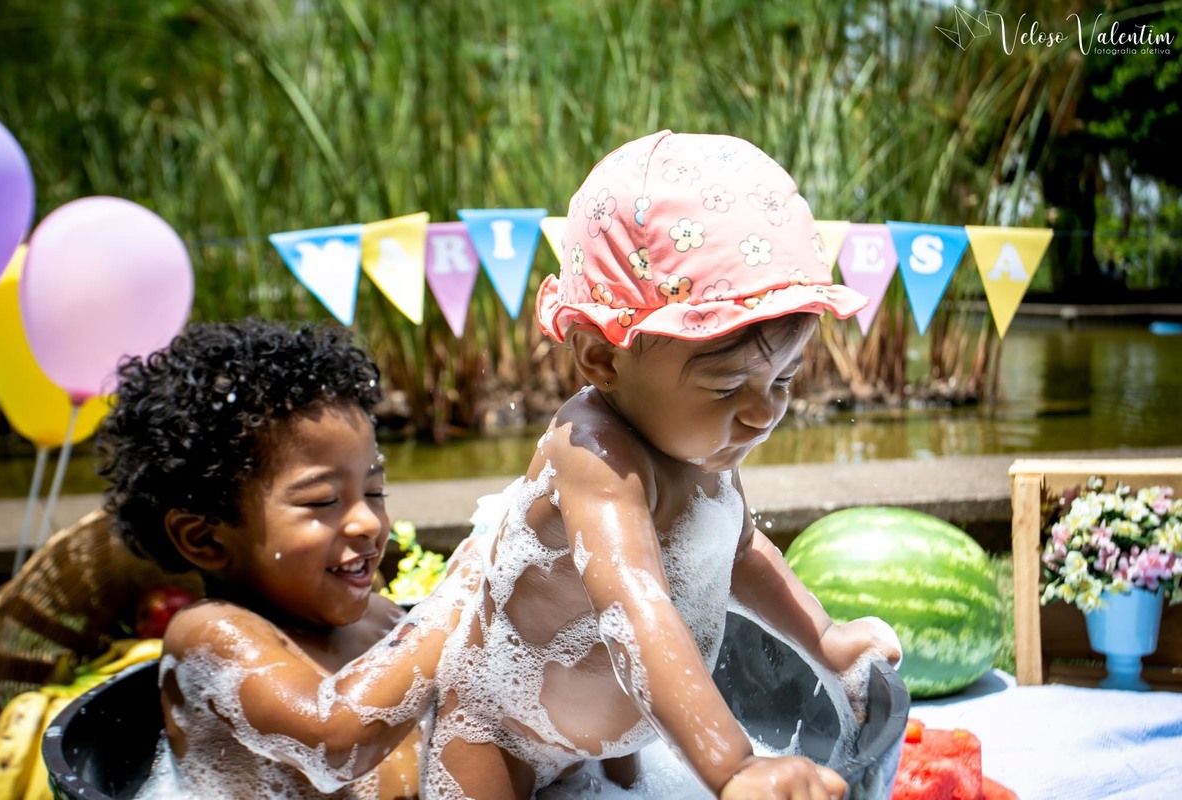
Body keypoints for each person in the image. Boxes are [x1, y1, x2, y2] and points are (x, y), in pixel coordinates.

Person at [422, 130, 902, 800]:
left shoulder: (698, 441)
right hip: (503, 732)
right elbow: (635, 608)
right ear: (601, 359)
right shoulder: (591, 454)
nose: (764, 413)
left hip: (617, 743)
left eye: (785, 380)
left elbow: (737, 548)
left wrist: (826, 638)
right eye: (728, 386)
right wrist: (734, 766)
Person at [96, 319, 482, 799]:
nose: (367, 522)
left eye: (374, 490)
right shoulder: (211, 635)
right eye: (322, 501)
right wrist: (458, 599)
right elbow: (333, 744)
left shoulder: (382, 619)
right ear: (205, 539)